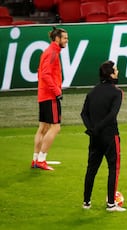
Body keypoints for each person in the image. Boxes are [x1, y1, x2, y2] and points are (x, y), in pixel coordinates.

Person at [81, 60, 126, 212]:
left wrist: (92, 129)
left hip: (94, 137)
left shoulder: (92, 92)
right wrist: (98, 128)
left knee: (91, 169)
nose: (118, 71)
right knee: (113, 168)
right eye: (116, 70)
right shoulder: (117, 92)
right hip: (110, 135)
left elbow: (83, 114)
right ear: (111, 74)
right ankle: (111, 204)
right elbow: (112, 115)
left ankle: (86, 202)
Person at [31, 27, 68, 170]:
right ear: (57, 39)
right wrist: (57, 91)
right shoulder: (52, 53)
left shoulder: (48, 52)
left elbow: (40, 72)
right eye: (64, 38)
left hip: (43, 94)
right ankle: (41, 159)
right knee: (55, 127)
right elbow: (45, 74)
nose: (66, 41)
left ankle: (35, 160)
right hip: (50, 95)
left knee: (43, 128)